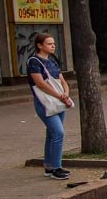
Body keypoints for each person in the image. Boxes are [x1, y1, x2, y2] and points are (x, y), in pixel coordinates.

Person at [27, 33, 73, 180]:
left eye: (53, 43)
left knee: (52, 134)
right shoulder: (34, 62)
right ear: (40, 45)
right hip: (45, 103)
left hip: (58, 102)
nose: (53, 46)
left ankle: (48, 166)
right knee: (59, 133)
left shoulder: (52, 61)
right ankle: (56, 168)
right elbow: (40, 83)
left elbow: (62, 80)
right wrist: (60, 95)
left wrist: (65, 93)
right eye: (49, 44)